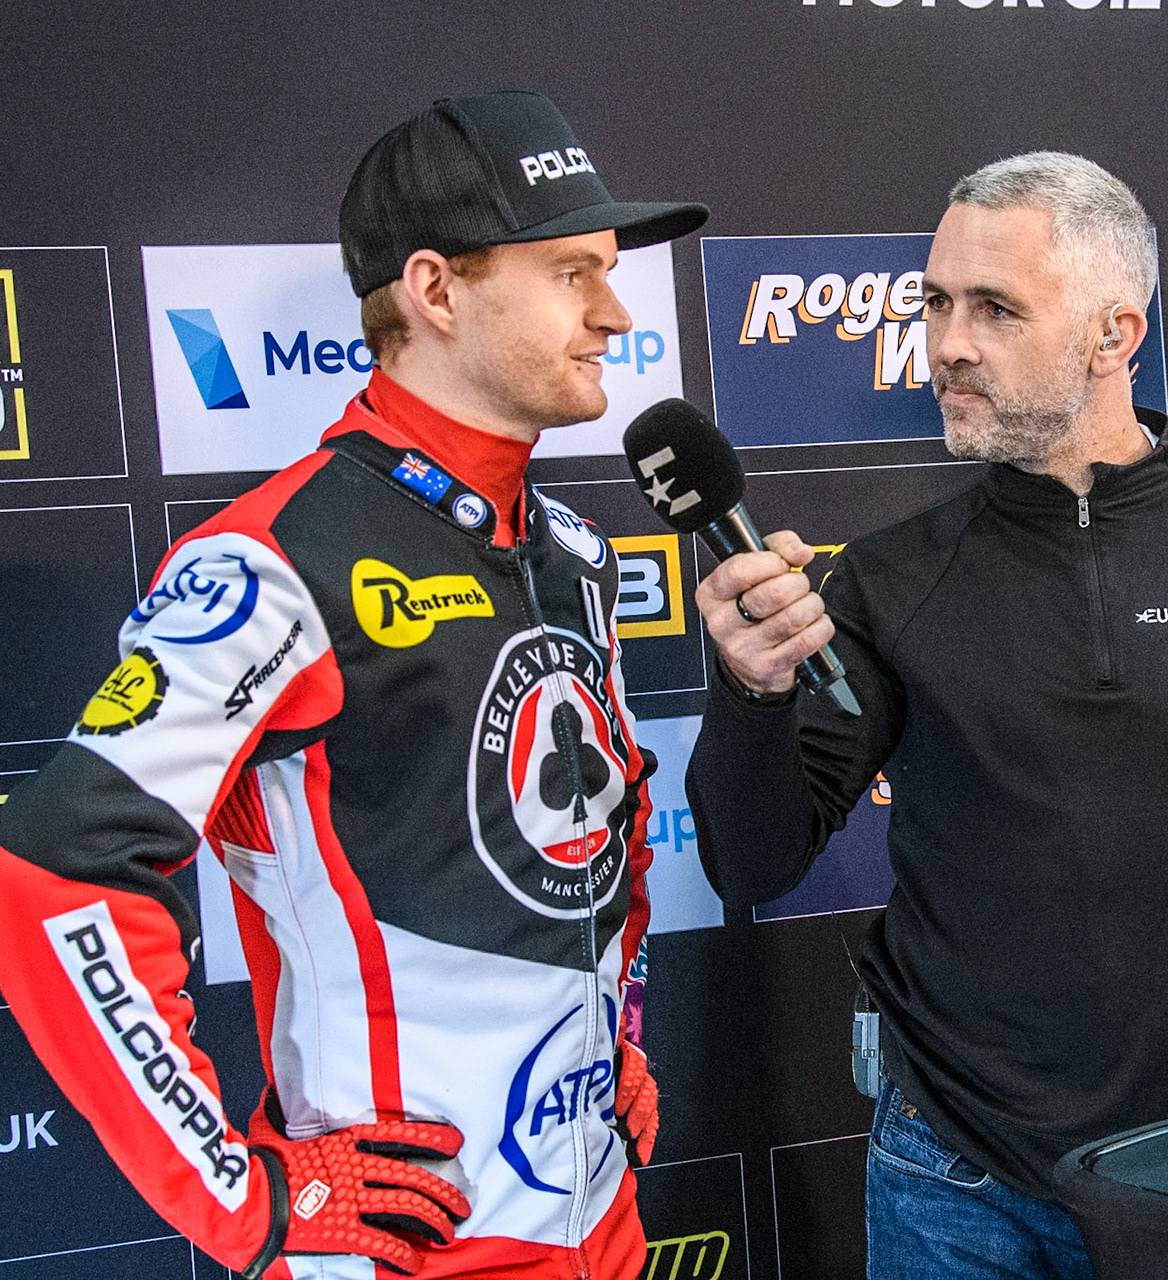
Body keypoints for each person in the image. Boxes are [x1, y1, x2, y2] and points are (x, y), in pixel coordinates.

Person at [0, 92, 706, 1278]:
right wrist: (238, 1188)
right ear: (434, 290)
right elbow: (53, 874)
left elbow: (599, 843)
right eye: (571, 272)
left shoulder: (573, 555)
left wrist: (611, 1032)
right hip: (409, 1252)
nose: (614, 312)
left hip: (600, 1227)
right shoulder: (273, 561)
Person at [685, 152, 1168, 1278]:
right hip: (955, 1187)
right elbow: (752, 855)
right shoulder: (885, 578)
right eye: (935, 302)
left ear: (1114, 334)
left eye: (994, 308)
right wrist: (748, 693)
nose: (947, 343)